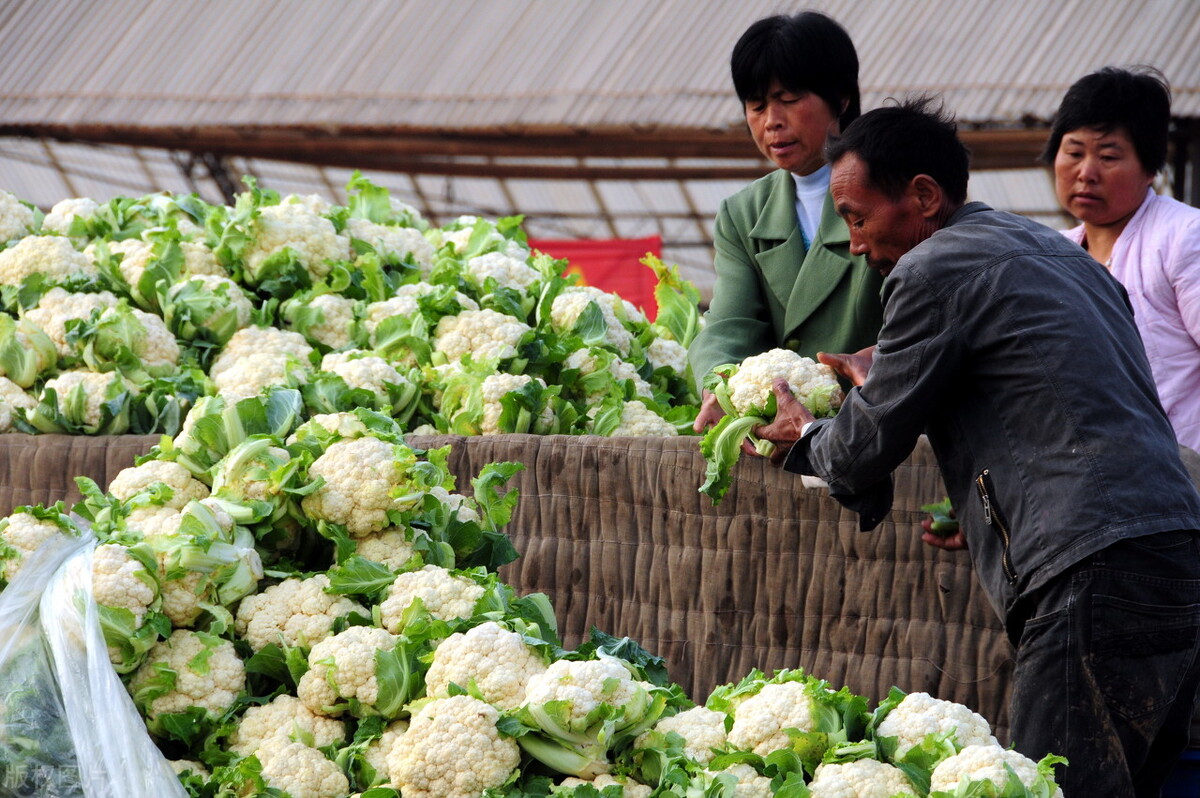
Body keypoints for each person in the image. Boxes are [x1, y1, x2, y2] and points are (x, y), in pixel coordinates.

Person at [752, 97, 1200, 797]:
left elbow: (862, 449)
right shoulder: (1066, 255)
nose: (858, 245)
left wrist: (804, 434)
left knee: (1049, 786)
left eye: (858, 218)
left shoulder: (933, 269)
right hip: (1174, 548)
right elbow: (1058, 404)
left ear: (923, 197)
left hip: (1088, 569)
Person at [688, 12, 884, 432]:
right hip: (788, 432)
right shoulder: (742, 214)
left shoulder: (892, 190)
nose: (771, 121)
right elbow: (729, 325)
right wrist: (718, 386)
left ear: (842, 98)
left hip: (888, 425)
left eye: (789, 99)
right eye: (756, 106)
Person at [1046, 65, 1200, 451]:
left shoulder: (1183, 236)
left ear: (1149, 168)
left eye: (1109, 156)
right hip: (1098, 476)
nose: (1086, 173)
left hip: (1182, 474)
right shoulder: (1051, 254)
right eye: (1074, 152)